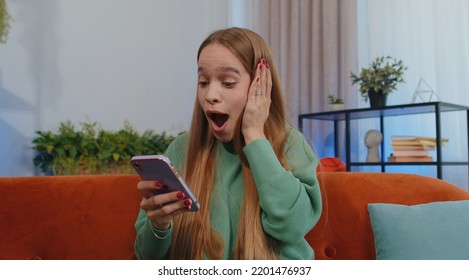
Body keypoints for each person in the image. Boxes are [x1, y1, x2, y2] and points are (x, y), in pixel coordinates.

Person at [134, 27, 322, 260]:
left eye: (228, 82)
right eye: (203, 82)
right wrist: (159, 225)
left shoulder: (290, 144)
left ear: (260, 86)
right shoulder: (181, 150)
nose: (210, 95)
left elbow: (292, 226)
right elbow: (146, 257)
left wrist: (254, 135)